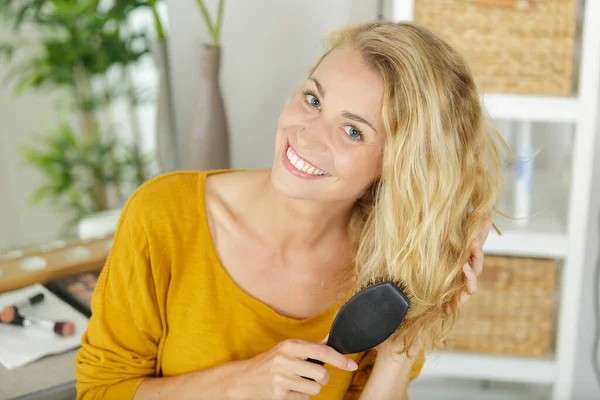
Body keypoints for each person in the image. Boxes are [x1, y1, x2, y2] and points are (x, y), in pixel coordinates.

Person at [75, 20, 503, 400]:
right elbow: (100, 392)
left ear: (399, 166)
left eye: (353, 131)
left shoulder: (386, 273)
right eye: (313, 100)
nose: (308, 136)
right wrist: (237, 385)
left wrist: (402, 344)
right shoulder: (163, 216)